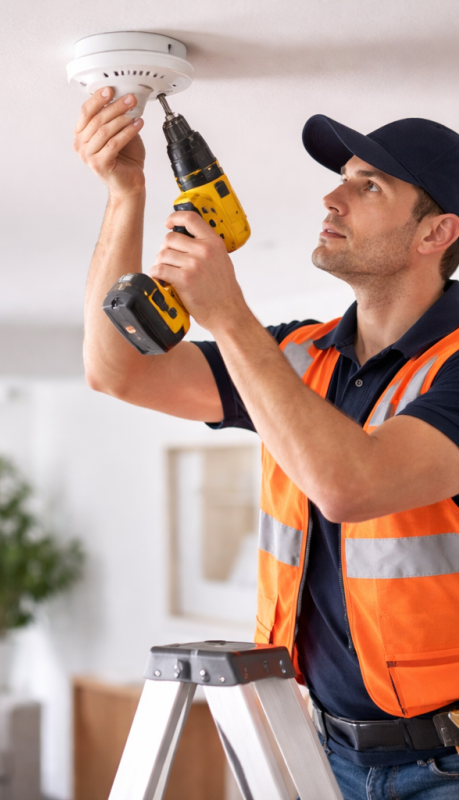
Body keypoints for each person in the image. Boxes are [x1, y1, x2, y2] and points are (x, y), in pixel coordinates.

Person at [74, 88, 459, 800]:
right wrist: (126, 194)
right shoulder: (300, 357)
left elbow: (352, 485)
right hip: (321, 747)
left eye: (367, 185)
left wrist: (229, 315)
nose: (331, 200)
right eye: (340, 179)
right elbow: (116, 369)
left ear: (435, 234)